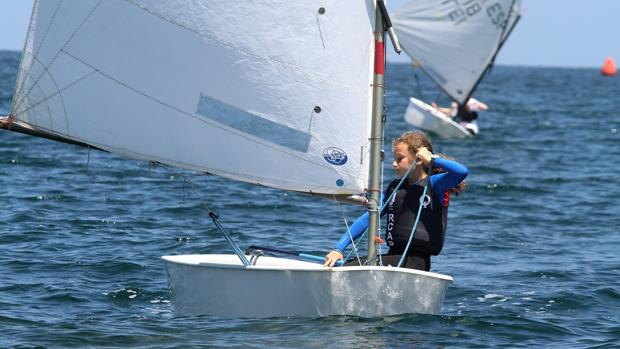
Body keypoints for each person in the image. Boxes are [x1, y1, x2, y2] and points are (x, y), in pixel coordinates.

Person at [323, 131, 468, 271]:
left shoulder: (435, 184)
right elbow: (368, 218)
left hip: (415, 262)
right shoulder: (394, 188)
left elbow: (461, 172)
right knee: (345, 265)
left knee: (349, 269)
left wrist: (432, 159)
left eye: (399, 159)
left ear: (418, 160)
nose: (393, 164)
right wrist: (339, 249)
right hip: (394, 256)